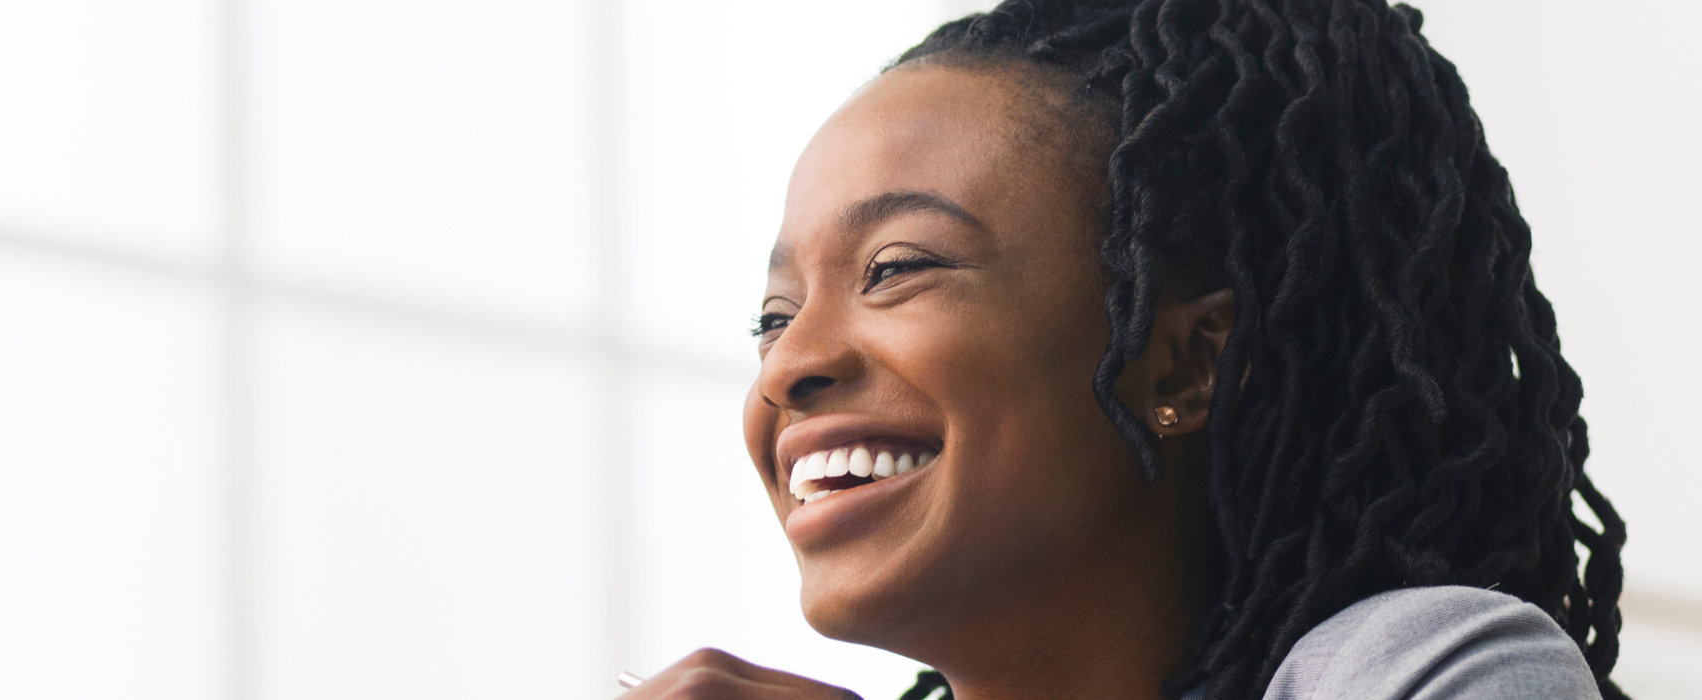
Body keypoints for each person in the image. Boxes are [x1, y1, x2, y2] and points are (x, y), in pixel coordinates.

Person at [621, 0, 1627, 697]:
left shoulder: (1425, 666)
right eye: (772, 314)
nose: (788, 364)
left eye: (895, 267)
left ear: (1182, 361)